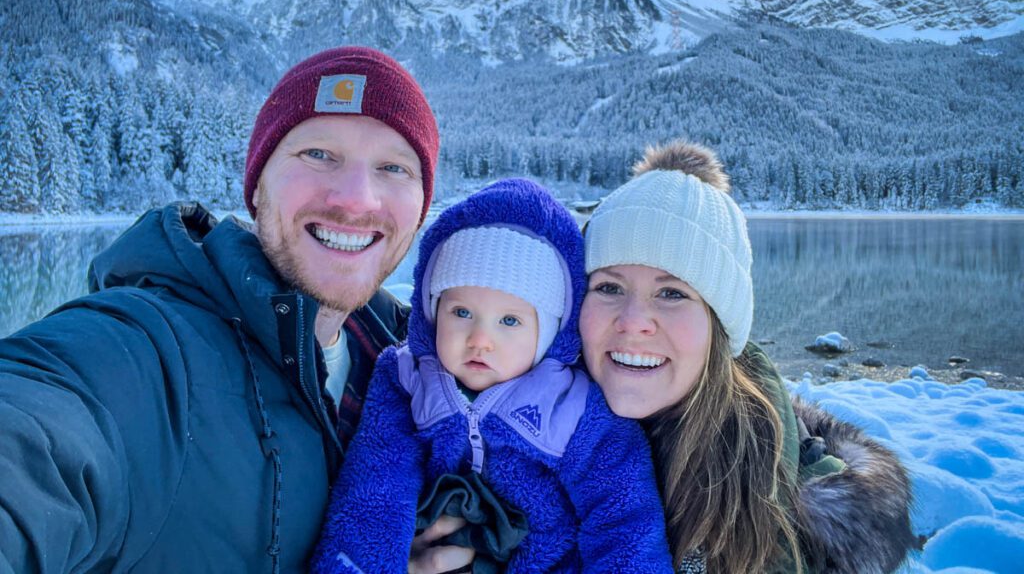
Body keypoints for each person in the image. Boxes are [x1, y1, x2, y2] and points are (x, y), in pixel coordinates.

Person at [0, 46, 461, 573]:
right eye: (318, 154)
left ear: (421, 207)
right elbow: (35, 435)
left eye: (393, 167)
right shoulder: (147, 353)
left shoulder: (416, 368)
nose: (357, 199)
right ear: (258, 189)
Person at [580, 141, 915, 574]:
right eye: (609, 287)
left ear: (720, 326)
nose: (633, 321)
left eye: (672, 293)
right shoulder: (507, 443)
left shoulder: (801, 516)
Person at [313, 178, 674, 573]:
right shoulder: (407, 378)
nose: (481, 339)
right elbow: (376, 486)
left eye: (509, 320)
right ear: (432, 312)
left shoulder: (573, 408)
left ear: (548, 333)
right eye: (462, 313)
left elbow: (623, 516)